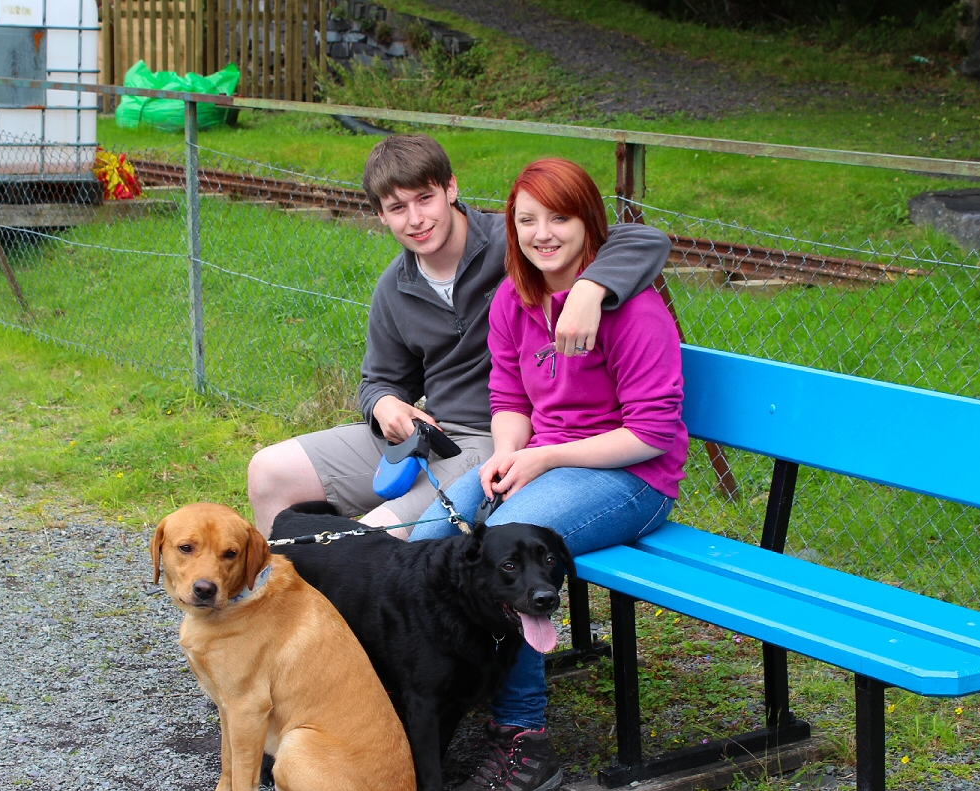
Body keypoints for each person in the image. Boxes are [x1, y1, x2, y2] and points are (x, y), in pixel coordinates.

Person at [410, 157, 688, 791]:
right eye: (527, 220)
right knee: (426, 541)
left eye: (558, 218)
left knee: (511, 554)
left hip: (631, 477)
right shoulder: (515, 299)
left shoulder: (636, 313)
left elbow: (650, 434)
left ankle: (525, 740)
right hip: (546, 463)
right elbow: (508, 394)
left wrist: (543, 459)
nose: (542, 234)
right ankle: (440, 696)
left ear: (588, 223)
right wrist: (507, 454)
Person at [247, 134, 671, 538]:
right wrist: (386, 405)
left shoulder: (518, 247)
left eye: (425, 198)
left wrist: (590, 287)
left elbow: (637, 239)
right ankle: (280, 603)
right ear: (380, 215)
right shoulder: (398, 288)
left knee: (375, 537)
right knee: (268, 470)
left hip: (493, 438)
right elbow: (379, 379)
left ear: (451, 188)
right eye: (397, 208)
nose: (416, 219)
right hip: (434, 433)